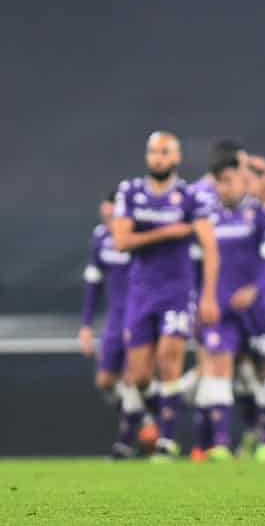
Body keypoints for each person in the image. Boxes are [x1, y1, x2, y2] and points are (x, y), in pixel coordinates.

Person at [111, 131, 220, 460]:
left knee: (168, 362)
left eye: (164, 152)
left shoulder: (190, 197)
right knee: (140, 375)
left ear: (176, 158)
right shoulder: (130, 191)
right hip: (141, 290)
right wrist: (168, 233)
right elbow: (121, 241)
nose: (158, 157)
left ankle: (167, 442)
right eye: (153, 152)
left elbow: (210, 246)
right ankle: (161, 412)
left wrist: (209, 295)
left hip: (177, 290)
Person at [192, 155, 265, 462]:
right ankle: (220, 444)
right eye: (219, 181)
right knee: (218, 366)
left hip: (255, 308)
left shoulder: (259, 215)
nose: (224, 187)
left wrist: (255, 289)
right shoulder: (206, 218)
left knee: (261, 370)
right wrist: (200, 300)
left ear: (243, 182)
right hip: (219, 308)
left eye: (229, 180)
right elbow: (195, 264)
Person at [79, 192, 157, 458]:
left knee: (133, 378)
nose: (109, 217)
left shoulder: (139, 237)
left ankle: (125, 441)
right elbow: (93, 283)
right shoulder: (100, 238)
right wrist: (86, 325)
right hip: (114, 320)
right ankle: (146, 418)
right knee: (105, 381)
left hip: (138, 317)